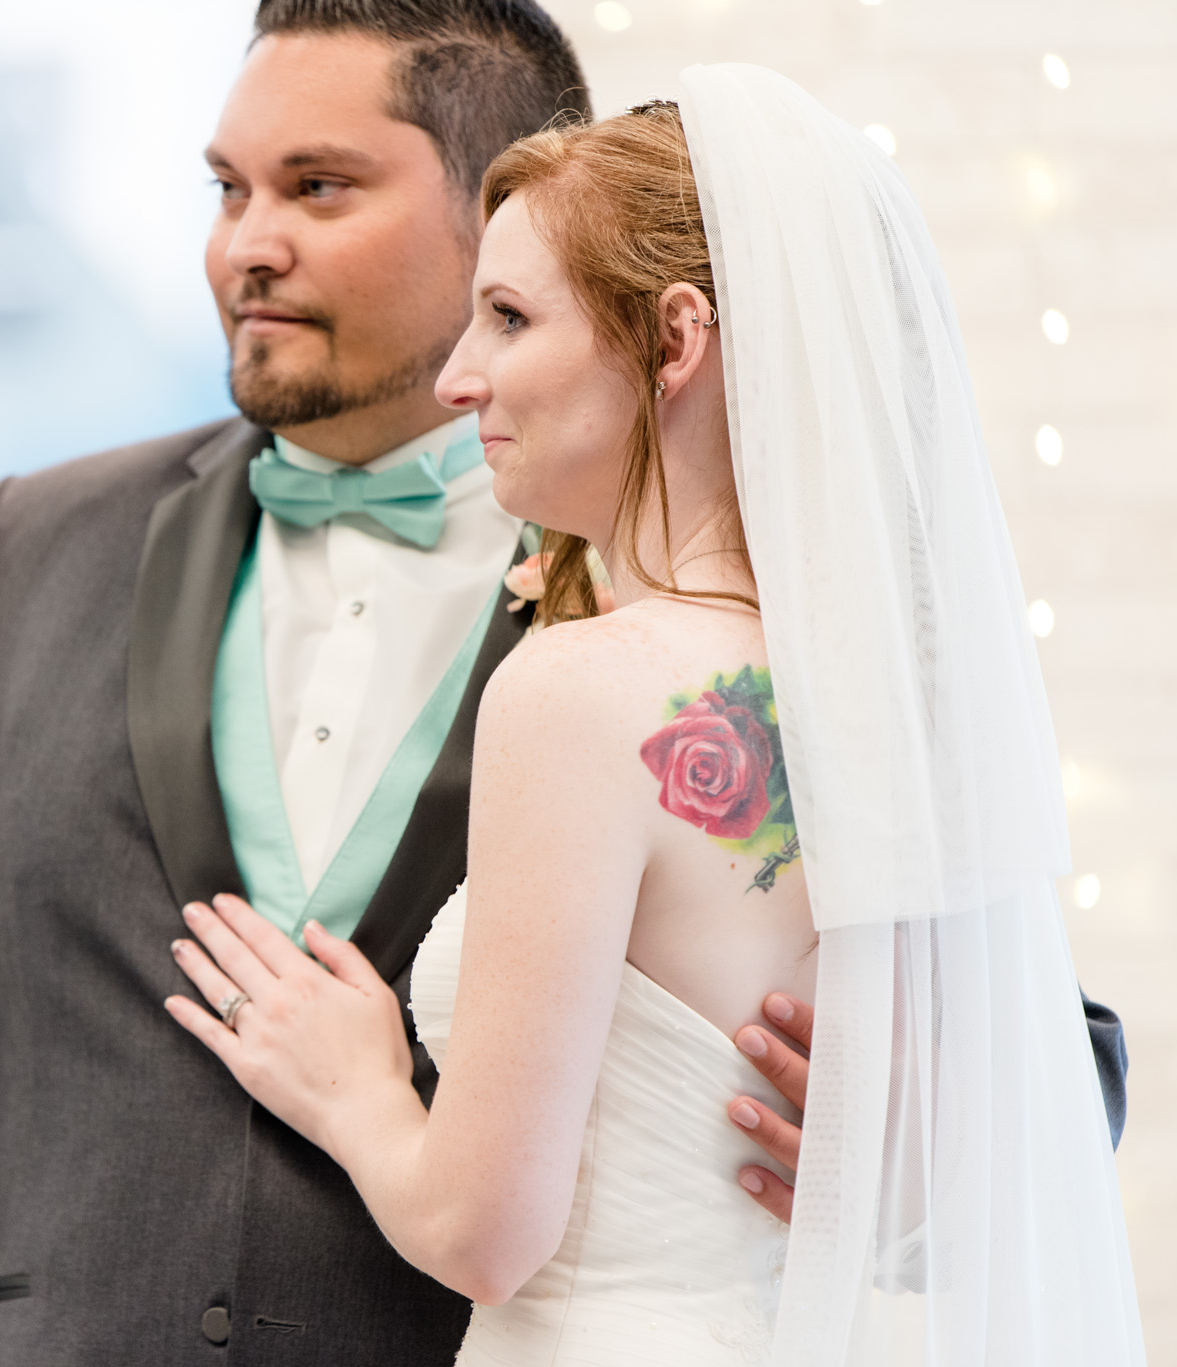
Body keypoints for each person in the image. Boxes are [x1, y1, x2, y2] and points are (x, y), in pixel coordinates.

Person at [168, 70, 1143, 1364]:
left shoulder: (580, 687)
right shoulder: (893, 694)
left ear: (674, 340)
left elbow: (482, 1230)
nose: (461, 378)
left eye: (509, 316)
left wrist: (355, 1085)